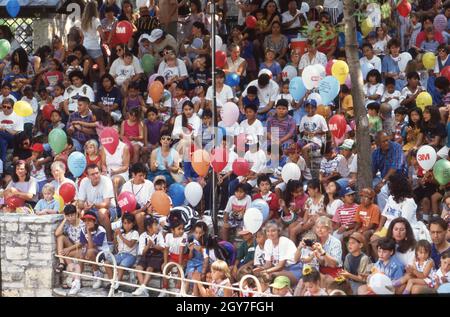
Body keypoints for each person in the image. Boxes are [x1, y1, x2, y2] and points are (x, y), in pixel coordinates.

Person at [253, 220, 302, 285]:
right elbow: (268, 264)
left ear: (278, 231)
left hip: (293, 269)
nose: (270, 233)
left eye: (273, 231)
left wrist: (265, 271)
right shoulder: (268, 242)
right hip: (280, 270)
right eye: (268, 231)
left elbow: (280, 266)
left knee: (271, 276)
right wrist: (261, 268)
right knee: (259, 276)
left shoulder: (283, 241)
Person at [77, 164, 117, 242]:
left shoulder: (106, 180)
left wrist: (94, 205)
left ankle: (109, 241)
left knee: (102, 212)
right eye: (92, 174)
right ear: (88, 176)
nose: (96, 176)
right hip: (92, 209)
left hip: (109, 209)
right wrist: (84, 205)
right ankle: (82, 242)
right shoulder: (84, 182)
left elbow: (106, 204)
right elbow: (80, 203)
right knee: (79, 212)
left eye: (97, 173)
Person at [371, 131, 408, 212]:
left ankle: (386, 215)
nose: (387, 142)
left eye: (387, 140)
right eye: (383, 141)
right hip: (385, 179)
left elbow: (395, 168)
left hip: (399, 178)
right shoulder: (376, 153)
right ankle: (377, 214)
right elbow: (373, 171)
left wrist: (382, 182)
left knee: (382, 190)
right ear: (378, 144)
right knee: (370, 186)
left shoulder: (396, 147)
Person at [133, 215, 166, 296]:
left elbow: (162, 247)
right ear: (149, 227)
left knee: (149, 268)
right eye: (155, 225)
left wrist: (154, 245)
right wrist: (147, 246)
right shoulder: (142, 236)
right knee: (138, 268)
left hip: (156, 255)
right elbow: (142, 252)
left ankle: (142, 287)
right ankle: (144, 289)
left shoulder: (159, 234)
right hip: (146, 255)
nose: (157, 227)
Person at [105, 213, 139, 290]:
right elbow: (116, 247)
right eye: (124, 223)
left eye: (129, 223)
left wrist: (120, 236)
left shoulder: (135, 233)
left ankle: (117, 284)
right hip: (120, 254)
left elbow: (130, 244)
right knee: (106, 263)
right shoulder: (121, 233)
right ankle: (112, 282)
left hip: (130, 255)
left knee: (121, 266)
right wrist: (115, 236)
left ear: (133, 224)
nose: (126, 225)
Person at [79, 211, 110, 290]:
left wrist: (89, 232)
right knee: (81, 255)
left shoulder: (101, 230)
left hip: (103, 253)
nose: (87, 222)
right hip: (92, 251)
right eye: (85, 220)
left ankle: (97, 275)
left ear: (95, 221)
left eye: (89, 220)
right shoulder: (83, 229)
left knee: (90, 251)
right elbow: (85, 245)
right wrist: (84, 254)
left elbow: (92, 247)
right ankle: (77, 279)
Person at [121, 163, 155, 233]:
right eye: (140, 175)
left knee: (139, 216)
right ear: (133, 174)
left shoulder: (149, 184)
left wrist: (138, 211)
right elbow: (122, 203)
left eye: (144, 175)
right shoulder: (126, 185)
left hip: (144, 211)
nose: (142, 178)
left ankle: (141, 239)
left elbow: (149, 203)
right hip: (128, 212)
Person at [76, 1, 106, 76]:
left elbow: (81, 35)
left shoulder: (82, 21)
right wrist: (105, 39)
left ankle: (91, 85)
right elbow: (102, 34)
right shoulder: (95, 20)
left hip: (85, 46)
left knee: (89, 70)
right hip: (95, 47)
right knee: (102, 69)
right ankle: (102, 86)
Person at [0, 98, 24, 164]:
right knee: (2, 141)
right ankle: (2, 162)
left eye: (8, 107)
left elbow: (16, 133)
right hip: (2, 137)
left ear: (12, 107)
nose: (5, 109)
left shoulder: (18, 116)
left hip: (13, 138)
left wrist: (5, 129)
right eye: (4, 106)